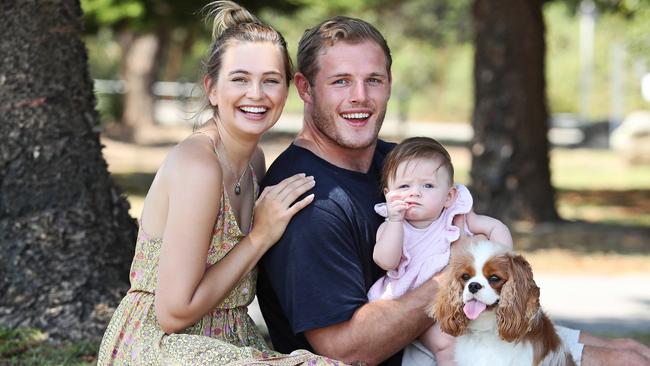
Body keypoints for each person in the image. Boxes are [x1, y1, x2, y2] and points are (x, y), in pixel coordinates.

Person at [256, 14, 650, 366]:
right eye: (341, 81)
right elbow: (345, 350)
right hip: (427, 354)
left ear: (389, 84)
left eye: (373, 80)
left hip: (479, 330)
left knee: (634, 353)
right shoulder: (309, 200)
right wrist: (454, 273)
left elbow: (476, 240)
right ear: (305, 88)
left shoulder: (400, 164)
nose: (360, 96)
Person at [96, 2, 344, 365]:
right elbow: (173, 313)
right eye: (240, 79)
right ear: (211, 88)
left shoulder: (254, 160)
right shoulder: (199, 165)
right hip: (162, 345)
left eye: (270, 80)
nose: (256, 94)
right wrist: (260, 236)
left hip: (226, 337)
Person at [367, 136, 513, 365]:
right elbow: (386, 261)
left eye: (427, 185)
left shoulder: (458, 216)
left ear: (449, 196)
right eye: (404, 186)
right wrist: (395, 220)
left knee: (496, 335)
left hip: (464, 297)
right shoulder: (392, 226)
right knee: (447, 344)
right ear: (388, 194)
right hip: (417, 308)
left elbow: (495, 227)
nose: (415, 192)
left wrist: (504, 263)